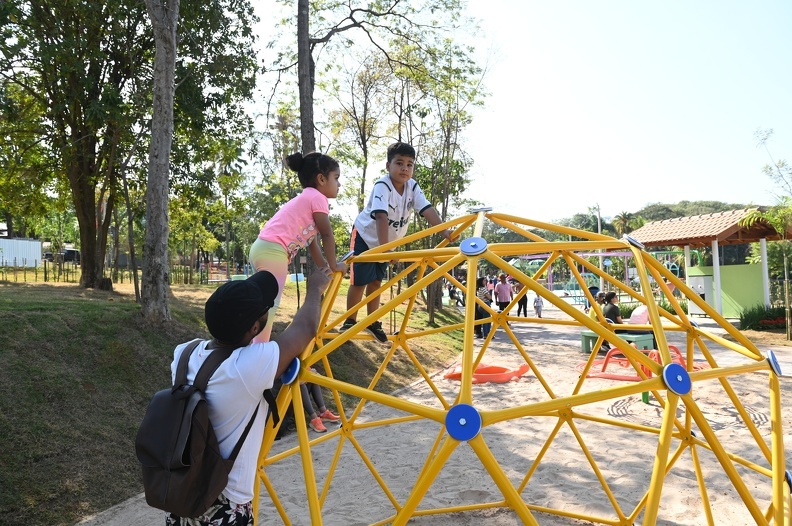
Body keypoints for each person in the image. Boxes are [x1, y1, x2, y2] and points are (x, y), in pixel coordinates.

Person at [166, 268, 332, 525]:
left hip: (181, 491)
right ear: (255, 327)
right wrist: (314, 289)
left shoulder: (183, 353)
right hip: (225, 503)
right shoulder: (247, 367)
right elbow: (306, 327)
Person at [342, 142, 452, 343]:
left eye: (410, 164)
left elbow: (426, 209)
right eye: (399, 163)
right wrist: (387, 250)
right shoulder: (382, 185)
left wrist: (444, 230)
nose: (405, 168)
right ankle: (350, 320)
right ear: (388, 165)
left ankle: (372, 321)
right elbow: (381, 217)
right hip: (367, 237)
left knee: (376, 281)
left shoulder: (413, 187)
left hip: (386, 243)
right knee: (359, 281)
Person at [248, 152, 347, 342]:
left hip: (262, 248)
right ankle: (259, 355)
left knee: (261, 303)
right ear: (321, 179)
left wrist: (324, 268)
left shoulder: (306, 199)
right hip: (274, 251)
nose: (339, 184)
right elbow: (327, 234)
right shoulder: (318, 198)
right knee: (270, 305)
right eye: (336, 178)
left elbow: (313, 244)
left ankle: (249, 347)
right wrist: (335, 265)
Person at [299, 368, 341, 433]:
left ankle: (323, 412)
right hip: (287, 399)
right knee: (301, 386)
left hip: (298, 384)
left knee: (313, 378)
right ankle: (314, 419)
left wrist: (314, 374)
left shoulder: (297, 360)